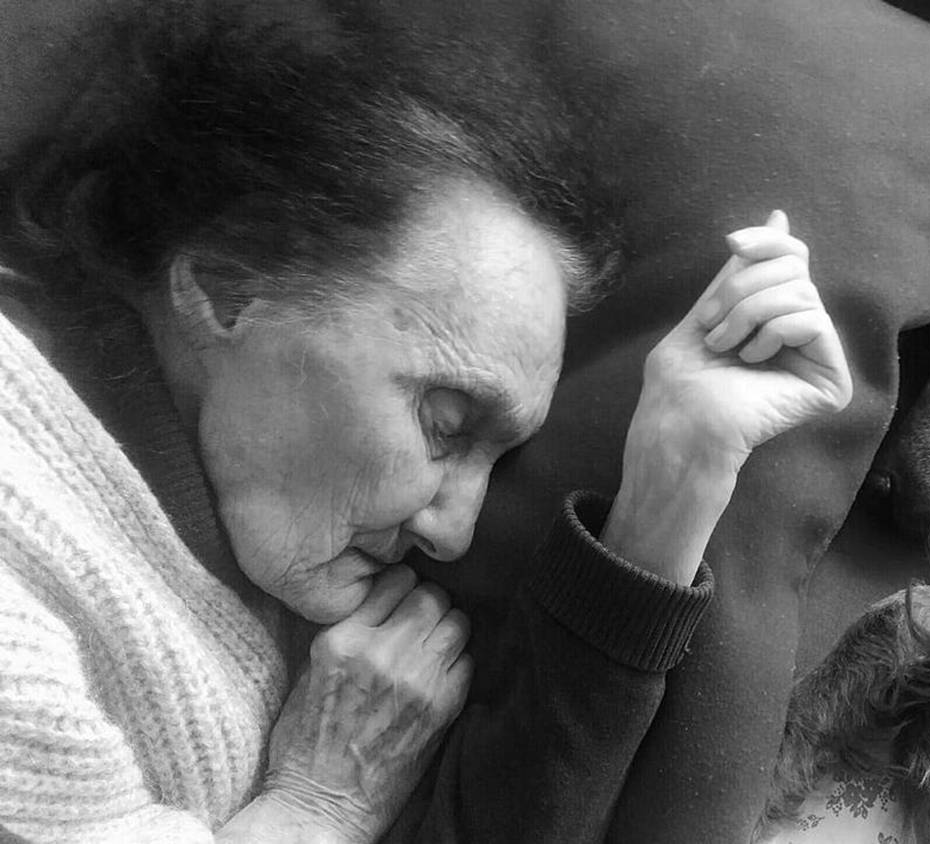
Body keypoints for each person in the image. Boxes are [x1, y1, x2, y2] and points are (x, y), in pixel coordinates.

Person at [0, 3, 851, 842]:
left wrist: (678, 471)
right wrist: (316, 808)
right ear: (230, 286)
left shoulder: (257, 523)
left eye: (496, 462)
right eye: (445, 424)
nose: (454, 532)